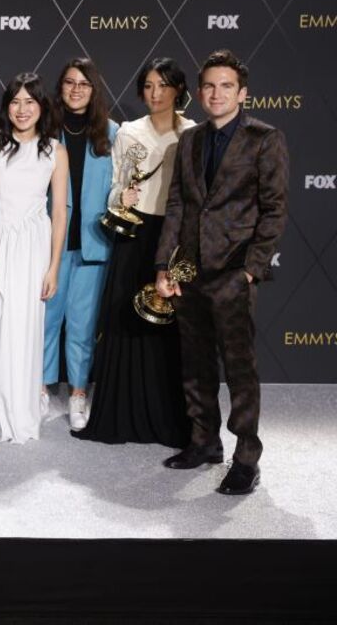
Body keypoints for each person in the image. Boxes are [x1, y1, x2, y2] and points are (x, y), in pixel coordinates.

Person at [156, 49, 288, 495]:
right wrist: (164, 265)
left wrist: (251, 270)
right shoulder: (188, 141)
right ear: (198, 92)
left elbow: (274, 210)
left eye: (226, 86)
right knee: (195, 366)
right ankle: (204, 443)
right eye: (209, 86)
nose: (216, 93)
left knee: (239, 370)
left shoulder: (264, 138)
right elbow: (177, 205)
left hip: (234, 271)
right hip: (189, 270)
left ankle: (246, 458)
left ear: (242, 92)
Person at [74, 58, 194, 448]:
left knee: (170, 325)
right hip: (135, 232)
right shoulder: (128, 132)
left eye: (163, 85)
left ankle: (169, 414)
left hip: (173, 236)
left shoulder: (193, 133)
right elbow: (116, 186)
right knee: (126, 320)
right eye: (148, 86)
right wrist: (119, 198)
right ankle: (120, 410)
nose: (155, 94)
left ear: (178, 89)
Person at [0, 73, 68, 443]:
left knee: (24, 330)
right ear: (6, 106)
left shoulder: (54, 150)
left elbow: (59, 213)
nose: (22, 110)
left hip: (32, 247)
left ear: (42, 106)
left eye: (30, 102)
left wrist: (54, 267)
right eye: (15, 102)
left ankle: (21, 411)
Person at [42, 58, 117, 430]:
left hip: (92, 246)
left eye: (83, 84)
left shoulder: (112, 134)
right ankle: (40, 390)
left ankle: (77, 395)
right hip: (49, 246)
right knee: (47, 322)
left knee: (83, 326)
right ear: (61, 88)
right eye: (69, 82)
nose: (75, 89)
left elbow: (120, 189)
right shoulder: (43, 130)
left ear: (93, 90)